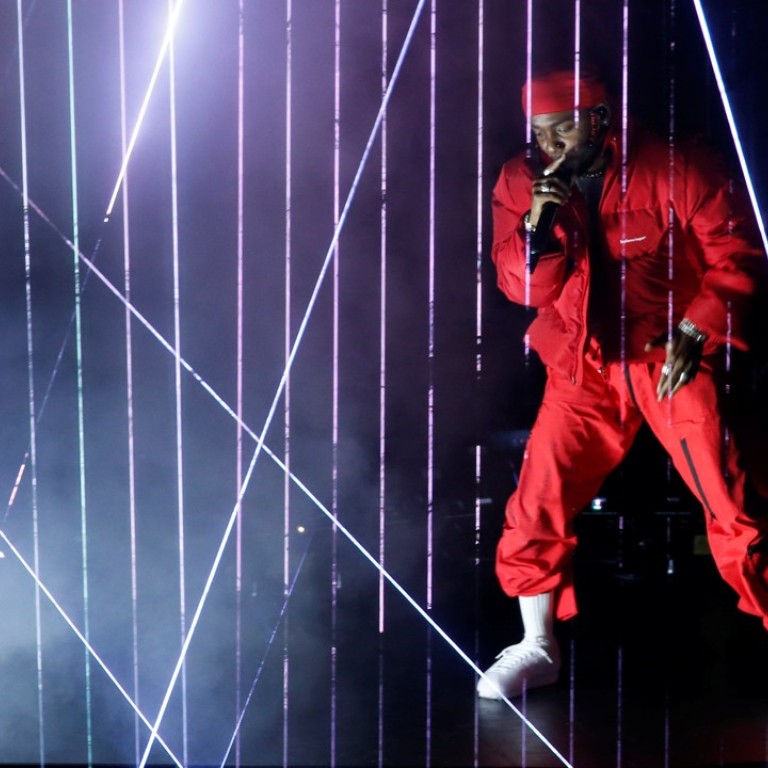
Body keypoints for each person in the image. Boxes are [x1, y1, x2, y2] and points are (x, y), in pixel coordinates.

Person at [477, 69, 768, 700]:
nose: (550, 144)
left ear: (602, 119)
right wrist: (536, 227)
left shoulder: (673, 164)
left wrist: (699, 328)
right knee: (536, 501)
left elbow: (737, 251)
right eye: (539, 133)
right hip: (583, 367)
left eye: (564, 128)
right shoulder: (519, 181)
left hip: (670, 357)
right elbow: (521, 290)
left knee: (736, 503)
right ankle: (536, 644)